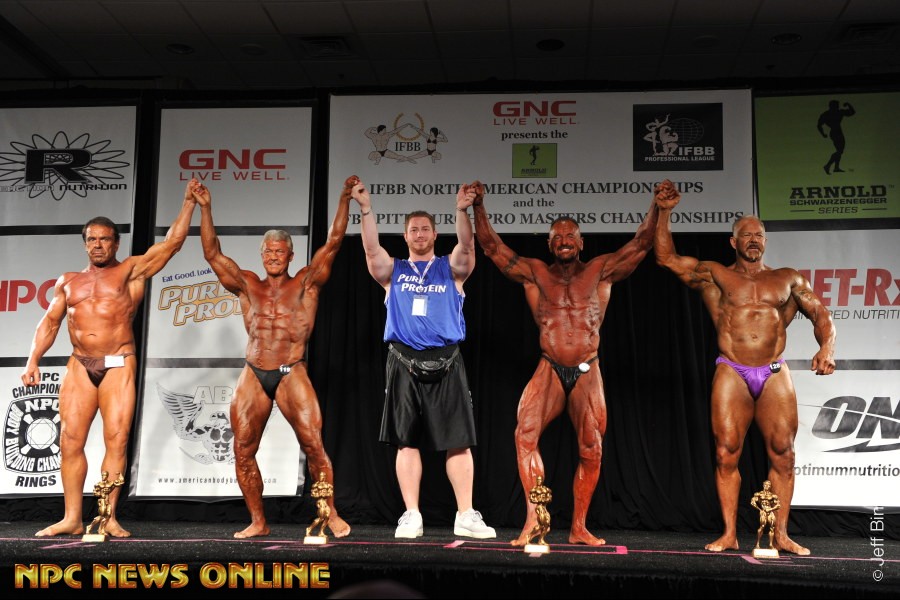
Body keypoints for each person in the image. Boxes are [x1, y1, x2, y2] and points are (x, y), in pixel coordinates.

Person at [472, 182, 663, 546]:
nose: (563, 241)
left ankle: (578, 527)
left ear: (581, 242)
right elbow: (492, 247)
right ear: (549, 244)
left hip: (588, 368)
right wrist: (479, 206)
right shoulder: (535, 272)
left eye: (570, 236)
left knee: (592, 448)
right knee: (524, 435)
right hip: (550, 365)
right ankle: (533, 521)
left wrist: (657, 206)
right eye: (557, 237)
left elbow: (641, 244)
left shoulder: (600, 270)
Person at [654, 191, 836, 556]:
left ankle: (780, 534)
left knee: (784, 453)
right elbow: (666, 258)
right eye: (746, 235)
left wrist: (827, 347)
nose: (754, 240)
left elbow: (820, 314)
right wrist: (663, 212)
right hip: (732, 369)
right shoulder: (715, 274)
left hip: (773, 370)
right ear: (733, 241)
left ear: (765, 242)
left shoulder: (787, 278)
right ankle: (729, 534)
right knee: (726, 452)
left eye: (759, 235)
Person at [22, 181, 198, 537]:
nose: (98, 245)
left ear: (116, 243)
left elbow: (171, 244)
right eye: (92, 239)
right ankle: (72, 518)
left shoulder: (130, 270)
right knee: (70, 440)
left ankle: (107, 517)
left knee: (115, 439)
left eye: (104, 239)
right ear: (85, 243)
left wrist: (188, 203)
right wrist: (32, 360)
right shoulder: (68, 281)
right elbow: (50, 322)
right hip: (79, 365)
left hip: (118, 363)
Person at [194, 177, 354, 539]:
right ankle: (258, 521)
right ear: (261, 254)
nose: (273, 257)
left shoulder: (306, 283)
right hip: (254, 371)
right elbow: (212, 254)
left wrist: (344, 198)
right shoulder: (248, 284)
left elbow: (333, 242)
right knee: (242, 449)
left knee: (314, 444)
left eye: (280, 252)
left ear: (291, 255)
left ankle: (329, 512)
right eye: (268, 252)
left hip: (290, 369)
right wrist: (205, 208)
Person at [352, 178, 495, 540]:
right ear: (405, 236)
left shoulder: (452, 268)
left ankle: (465, 514)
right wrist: (365, 209)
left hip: (447, 360)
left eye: (425, 229)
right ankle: (411, 515)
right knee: (406, 441)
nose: (419, 234)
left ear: (434, 234)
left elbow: (468, 244)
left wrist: (461, 210)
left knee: (459, 440)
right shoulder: (393, 272)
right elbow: (371, 250)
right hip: (403, 361)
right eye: (413, 229)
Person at [817, 100, 855, 175]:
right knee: (839, 151)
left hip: (837, 132)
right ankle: (828, 165)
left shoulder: (836, 112)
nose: (837, 107)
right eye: (836, 105)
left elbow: (852, 112)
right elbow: (819, 125)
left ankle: (836, 167)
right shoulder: (828, 114)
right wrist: (822, 134)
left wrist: (848, 104)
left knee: (839, 150)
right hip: (835, 132)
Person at [750, 480, 780, 551]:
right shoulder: (759, 494)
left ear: (770, 486)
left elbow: (778, 505)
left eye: (769, 485)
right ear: (763, 485)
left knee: (772, 527)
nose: (767, 486)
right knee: (762, 526)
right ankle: (757, 543)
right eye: (766, 485)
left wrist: (771, 509)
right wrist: (760, 509)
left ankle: (770, 544)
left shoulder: (773, 496)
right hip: (763, 511)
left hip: (770, 511)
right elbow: (752, 502)